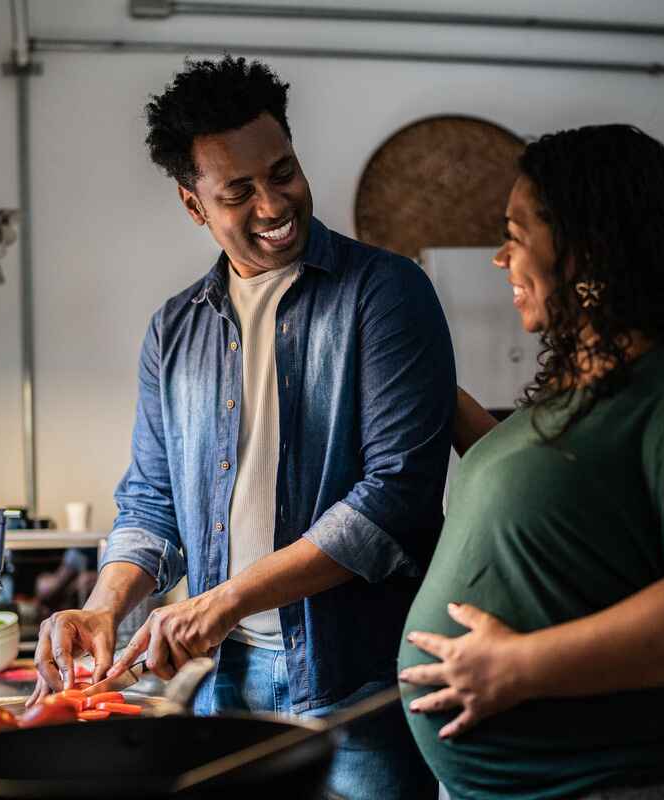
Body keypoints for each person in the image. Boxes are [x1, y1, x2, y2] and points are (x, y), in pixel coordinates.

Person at [32, 55, 453, 799]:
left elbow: (396, 498)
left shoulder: (384, 295)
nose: (273, 203)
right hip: (227, 690)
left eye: (283, 172)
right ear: (195, 206)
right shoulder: (174, 331)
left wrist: (225, 599)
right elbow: (152, 504)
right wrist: (102, 610)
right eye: (239, 192)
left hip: (359, 683)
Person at [398, 124, 664, 800]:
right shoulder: (583, 394)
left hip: (643, 780)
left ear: (586, 252)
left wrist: (520, 666)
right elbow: (544, 489)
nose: (501, 259)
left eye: (517, 234)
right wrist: (417, 380)